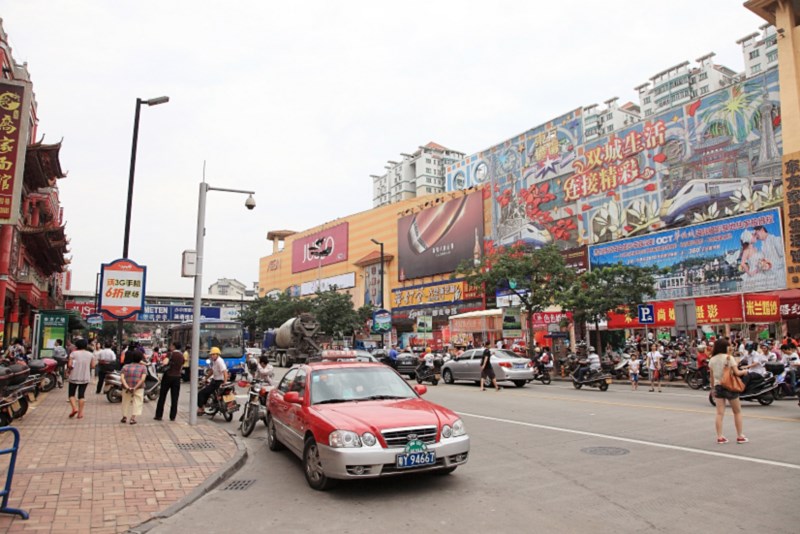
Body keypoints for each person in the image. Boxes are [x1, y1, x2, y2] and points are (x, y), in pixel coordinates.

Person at [708, 338, 748, 444]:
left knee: (719, 413)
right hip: (730, 386)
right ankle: (740, 436)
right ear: (725, 347)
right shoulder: (729, 358)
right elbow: (737, 373)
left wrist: (712, 388)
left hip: (718, 386)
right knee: (737, 412)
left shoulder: (712, 359)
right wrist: (745, 371)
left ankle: (720, 437)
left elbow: (711, 377)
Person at [154, 342, 185, 422]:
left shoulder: (170, 354)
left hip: (168, 376)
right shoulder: (181, 356)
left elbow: (165, 362)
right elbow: (181, 367)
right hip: (177, 377)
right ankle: (172, 416)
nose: (170, 347)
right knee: (175, 398)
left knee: (162, 396)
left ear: (174, 346)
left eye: (171, 345)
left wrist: (163, 363)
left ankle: (159, 415)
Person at [67, 338, 96, 419]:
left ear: (77, 345)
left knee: (71, 394)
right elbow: (93, 366)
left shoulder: (73, 354)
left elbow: (69, 365)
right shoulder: (90, 354)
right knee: (81, 395)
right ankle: (80, 413)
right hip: (85, 377)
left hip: (74, 376)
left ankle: (74, 408)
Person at [197, 347, 228, 415]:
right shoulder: (215, 361)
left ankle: (201, 408)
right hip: (215, 380)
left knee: (201, 393)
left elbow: (225, 372)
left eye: (213, 354)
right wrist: (206, 378)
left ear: (217, 354)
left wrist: (225, 382)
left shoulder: (219, 361)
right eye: (211, 354)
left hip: (218, 382)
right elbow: (212, 371)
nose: (212, 356)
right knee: (207, 393)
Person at [120, 349, 147, 424]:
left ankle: (124, 417)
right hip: (139, 388)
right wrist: (135, 388)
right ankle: (132, 418)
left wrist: (127, 387)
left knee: (125, 401)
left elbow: (122, 378)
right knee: (138, 402)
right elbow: (142, 379)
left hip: (126, 387)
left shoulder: (125, 366)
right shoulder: (143, 367)